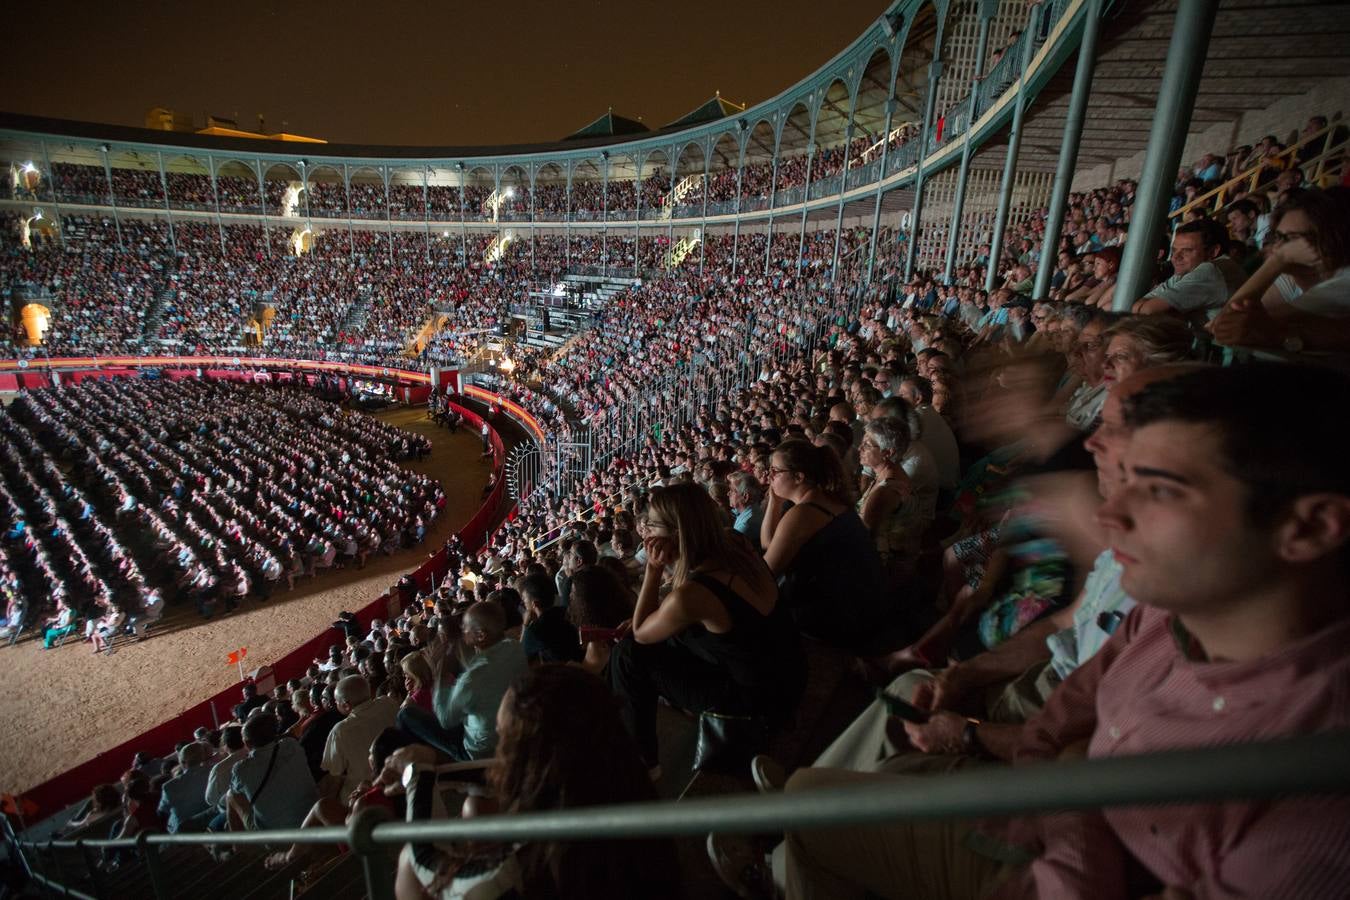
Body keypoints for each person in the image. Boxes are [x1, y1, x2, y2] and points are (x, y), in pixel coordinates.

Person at [778, 363, 1350, 899]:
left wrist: (1066, 775)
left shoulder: (1319, 793)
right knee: (856, 765)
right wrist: (1054, 760)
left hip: (1046, 861)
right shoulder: (1163, 613)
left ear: (1309, 526)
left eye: (1161, 490)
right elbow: (1066, 715)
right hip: (1037, 804)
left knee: (809, 804)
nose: (1107, 516)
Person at [395, 665, 680, 900]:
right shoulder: (618, 778)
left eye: (505, 739)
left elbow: (424, 860)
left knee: (407, 856)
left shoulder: (518, 869)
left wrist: (416, 773)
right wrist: (439, 768)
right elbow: (522, 767)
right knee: (475, 804)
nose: (501, 750)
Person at [610, 483, 805, 771]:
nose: (645, 531)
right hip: (788, 671)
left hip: (758, 703)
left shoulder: (692, 596)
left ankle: (642, 763)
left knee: (627, 655)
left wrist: (652, 570)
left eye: (651, 524)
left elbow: (640, 633)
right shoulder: (734, 542)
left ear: (676, 532)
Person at [761, 439, 888, 649]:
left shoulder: (803, 513)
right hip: (864, 607)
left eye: (775, 470)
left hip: (840, 618)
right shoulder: (826, 499)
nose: (769, 476)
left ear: (799, 477)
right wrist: (774, 501)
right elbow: (769, 545)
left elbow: (767, 571)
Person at [396, 602, 527, 761]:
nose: (463, 632)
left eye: (466, 627)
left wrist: (440, 671)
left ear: (481, 635)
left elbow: (445, 720)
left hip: (477, 751)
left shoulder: (473, 678)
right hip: (509, 730)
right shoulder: (514, 647)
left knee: (406, 715)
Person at [1131, 218, 1246, 321]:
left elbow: (1147, 311)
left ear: (1213, 251)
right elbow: (1138, 307)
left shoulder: (1211, 270)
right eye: (1174, 250)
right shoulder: (1188, 269)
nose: (1175, 257)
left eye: (1187, 250)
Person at [226, 713, 318, 832]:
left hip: (275, 835)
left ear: (247, 743)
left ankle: (238, 845)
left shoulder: (240, 769)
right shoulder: (291, 745)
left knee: (230, 795)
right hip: (313, 819)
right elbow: (284, 737)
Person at [321, 674, 401, 802]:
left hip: (365, 794)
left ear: (346, 705)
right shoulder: (388, 703)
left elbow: (335, 772)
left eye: (336, 702)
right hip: (400, 774)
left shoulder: (340, 730)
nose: (335, 704)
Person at [157, 741, 214, 833]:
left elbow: (162, 812)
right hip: (212, 821)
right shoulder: (214, 771)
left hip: (184, 833)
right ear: (203, 756)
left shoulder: (169, 787)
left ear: (182, 762)